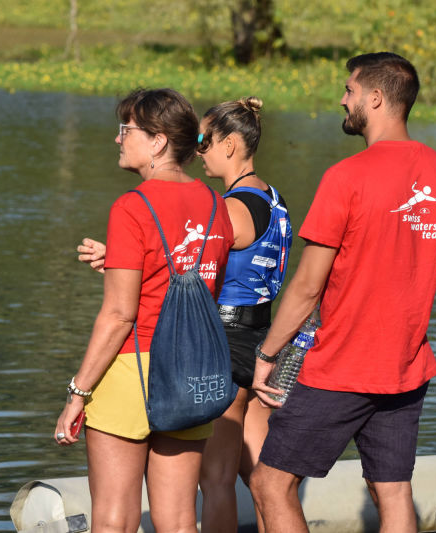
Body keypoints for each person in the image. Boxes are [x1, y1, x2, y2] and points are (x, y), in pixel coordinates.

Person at [248, 52, 436, 533]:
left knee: (269, 484)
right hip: (405, 368)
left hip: (341, 366)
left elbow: (308, 286)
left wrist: (268, 352)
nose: (343, 99)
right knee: (392, 490)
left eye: (349, 90)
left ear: (375, 98)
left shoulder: (346, 176)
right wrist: (430, 251)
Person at [78, 96, 292, 533]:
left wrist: (77, 392)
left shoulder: (227, 207)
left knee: (215, 480)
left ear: (230, 145)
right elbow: (197, 259)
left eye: (205, 141)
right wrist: (122, 259)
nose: (198, 150)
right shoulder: (271, 200)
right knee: (263, 479)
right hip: (261, 338)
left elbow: (178, 259)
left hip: (209, 344)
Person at [54, 88, 234, 533]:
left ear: (157, 141)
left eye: (126, 129)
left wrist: (78, 392)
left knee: (114, 519)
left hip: (132, 369)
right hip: (191, 372)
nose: (118, 138)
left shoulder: (132, 206)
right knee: (178, 519)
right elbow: (189, 282)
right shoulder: (216, 205)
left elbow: (120, 315)